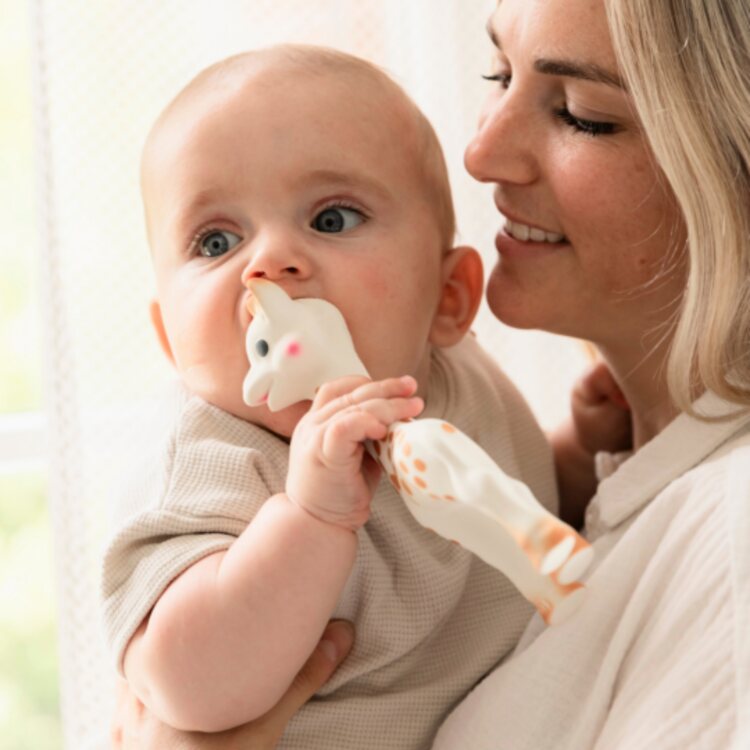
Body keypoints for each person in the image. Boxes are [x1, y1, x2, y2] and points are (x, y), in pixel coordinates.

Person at [111, 0, 750, 747]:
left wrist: (566, 463)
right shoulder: (217, 460)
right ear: (167, 338)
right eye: (215, 240)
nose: (267, 266)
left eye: (579, 112)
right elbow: (178, 682)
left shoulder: (448, 379)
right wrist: (311, 520)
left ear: (449, 299)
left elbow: (509, 504)